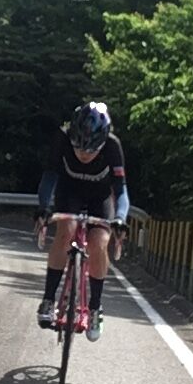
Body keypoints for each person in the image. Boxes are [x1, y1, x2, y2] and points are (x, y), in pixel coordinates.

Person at [34, 101, 130, 343]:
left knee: (99, 243)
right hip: (69, 193)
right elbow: (49, 177)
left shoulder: (112, 146)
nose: (84, 154)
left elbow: (121, 190)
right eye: (78, 149)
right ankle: (48, 299)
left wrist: (120, 218)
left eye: (90, 150)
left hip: (100, 197)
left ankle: (95, 307)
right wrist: (44, 207)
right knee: (66, 230)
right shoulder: (62, 138)